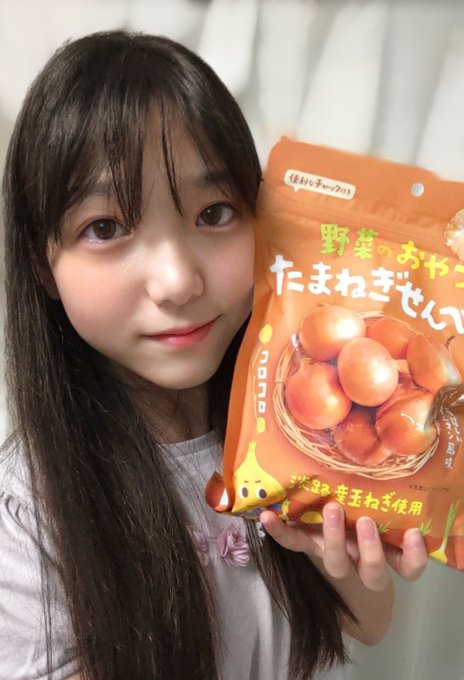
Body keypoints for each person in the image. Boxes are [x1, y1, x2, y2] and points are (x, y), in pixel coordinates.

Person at [0, 30, 428, 680]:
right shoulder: (28, 517)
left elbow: (366, 624)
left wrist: (349, 563)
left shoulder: (301, 424)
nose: (178, 281)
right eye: (105, 228)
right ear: (41, 261)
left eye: (214, 213)